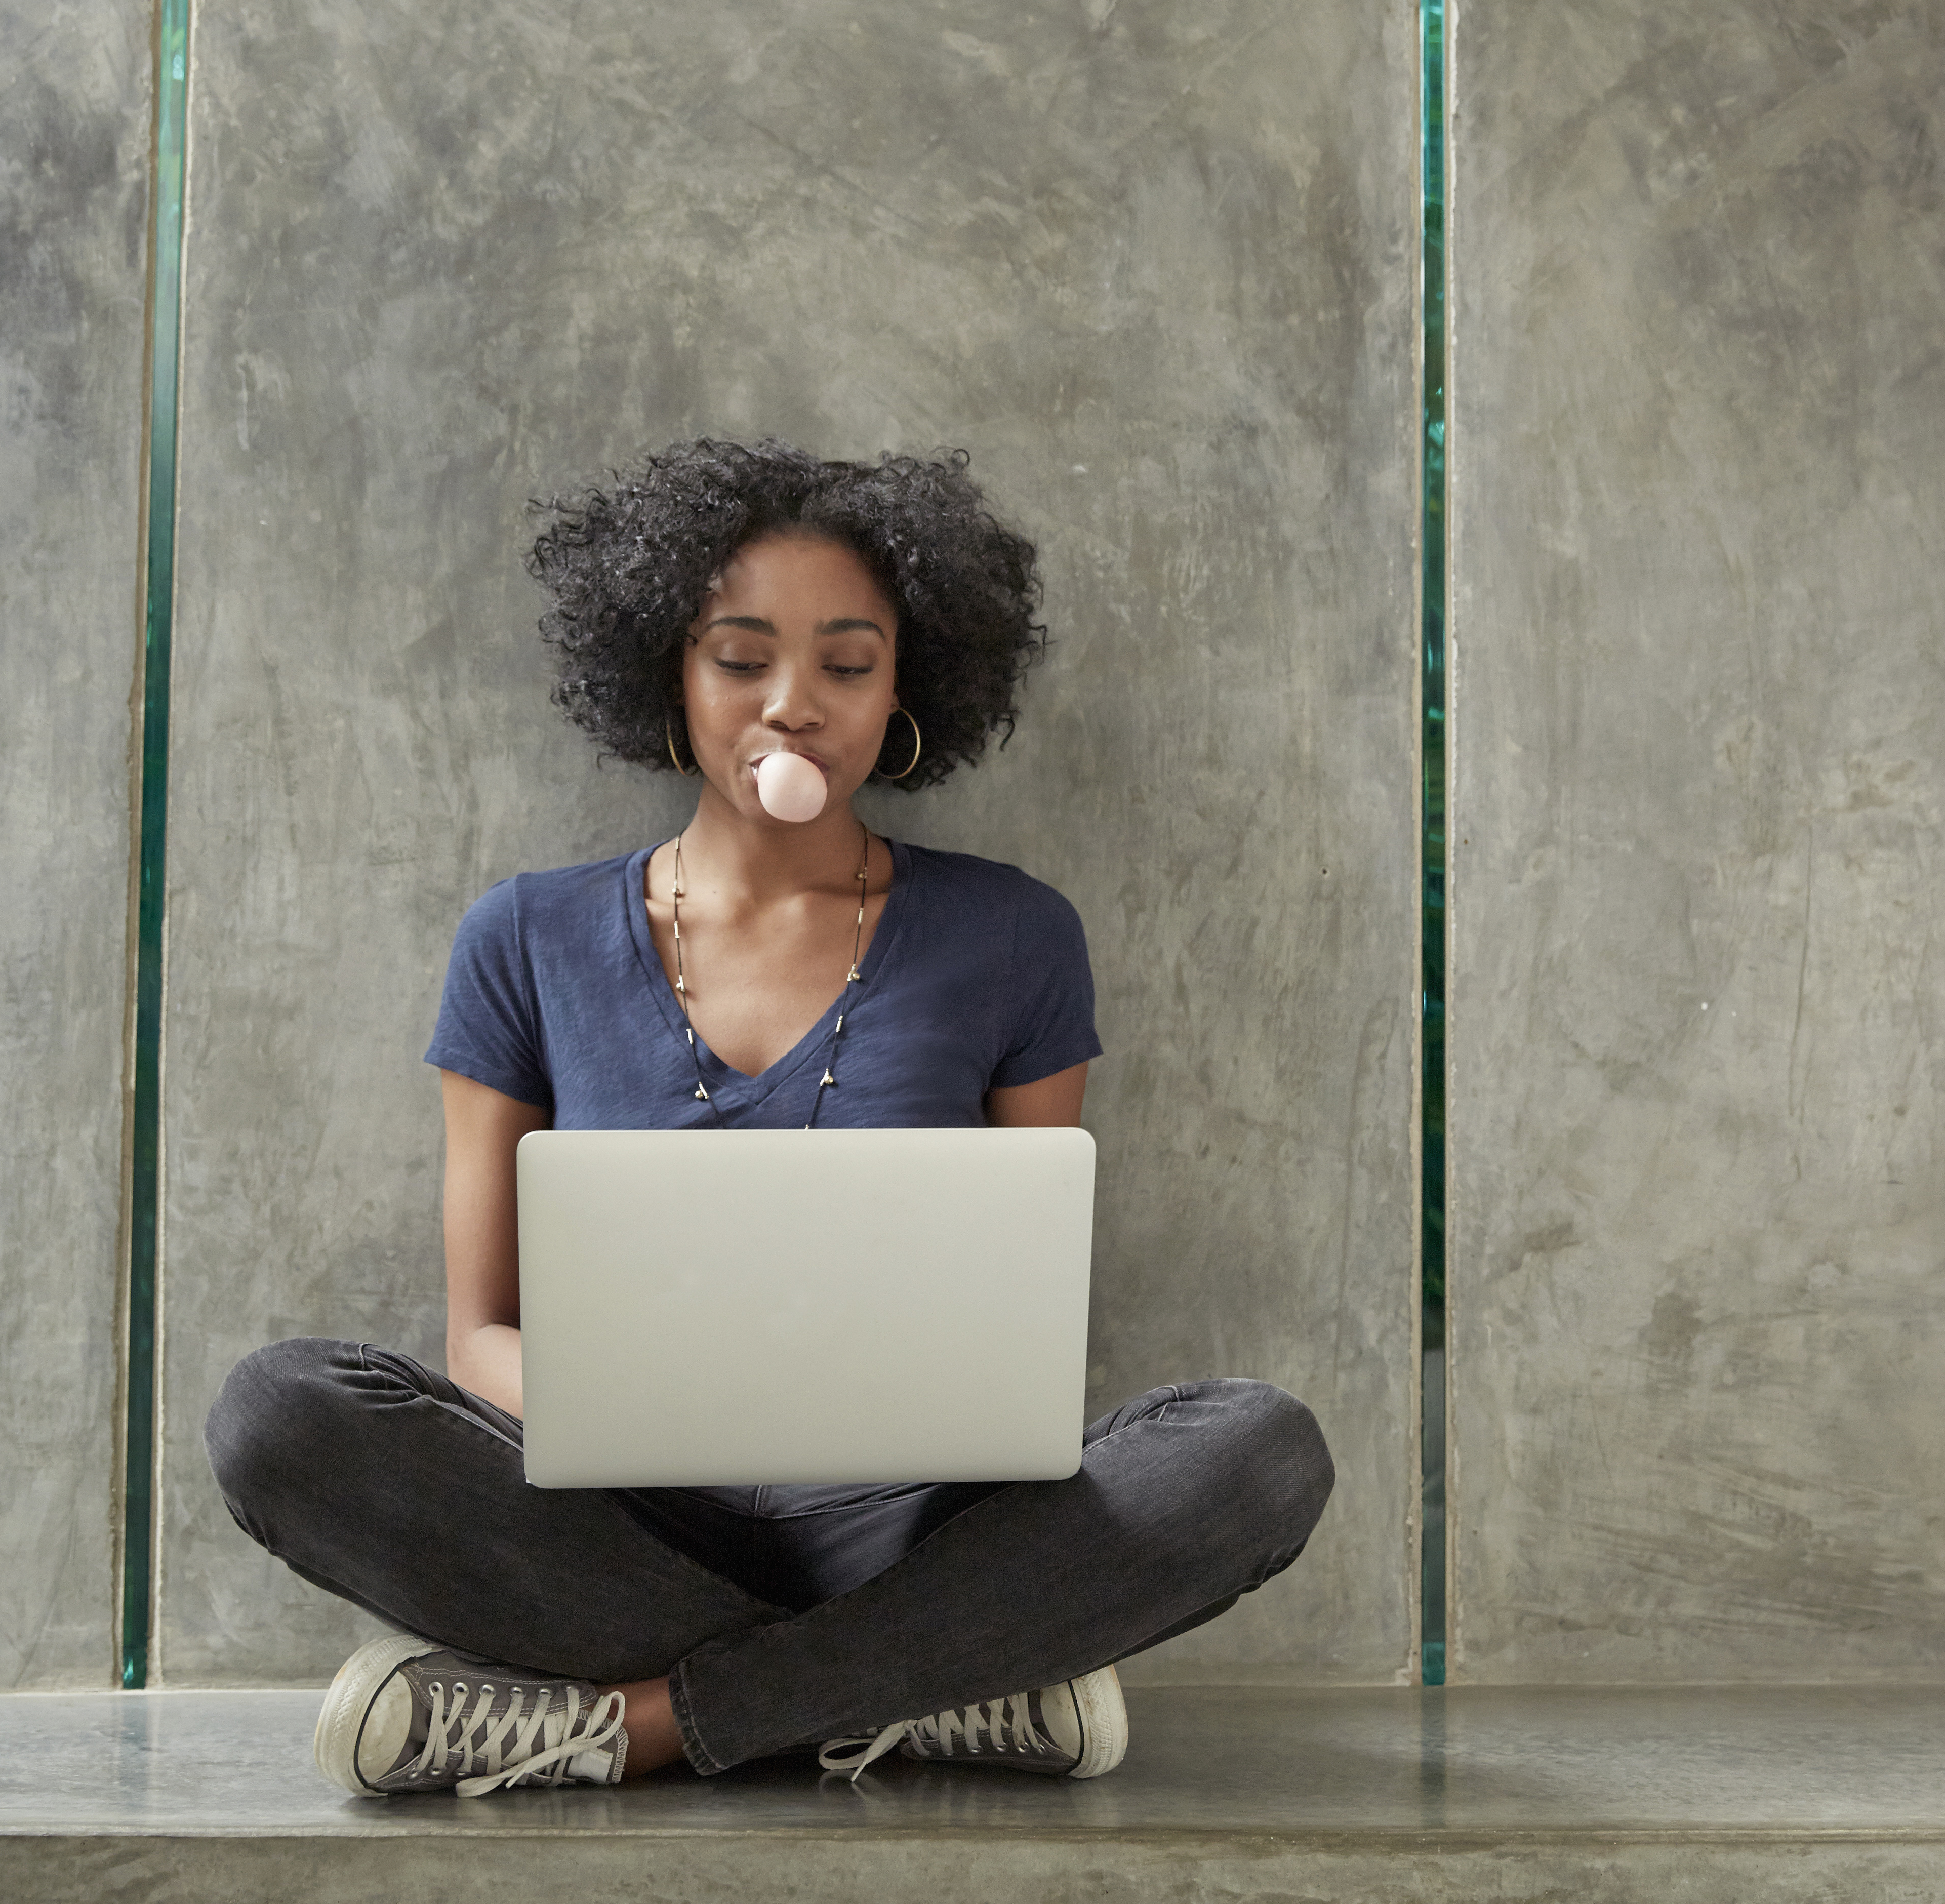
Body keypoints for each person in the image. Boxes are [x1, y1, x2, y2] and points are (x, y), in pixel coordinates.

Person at [205, 440, 1334, 1798]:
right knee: (278, 1414)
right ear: (669, 676)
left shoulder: (1015, 933)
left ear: (904, 687)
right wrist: (617, 1407)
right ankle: (930, 1687)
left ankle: (637, 1724)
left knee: (1257, 1451)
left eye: (846, 665)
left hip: (912, 1523)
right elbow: (478, 1334)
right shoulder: (524, 936)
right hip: (612, 1523)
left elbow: (1023, 1316)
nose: (791, 704)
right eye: (741, 659)